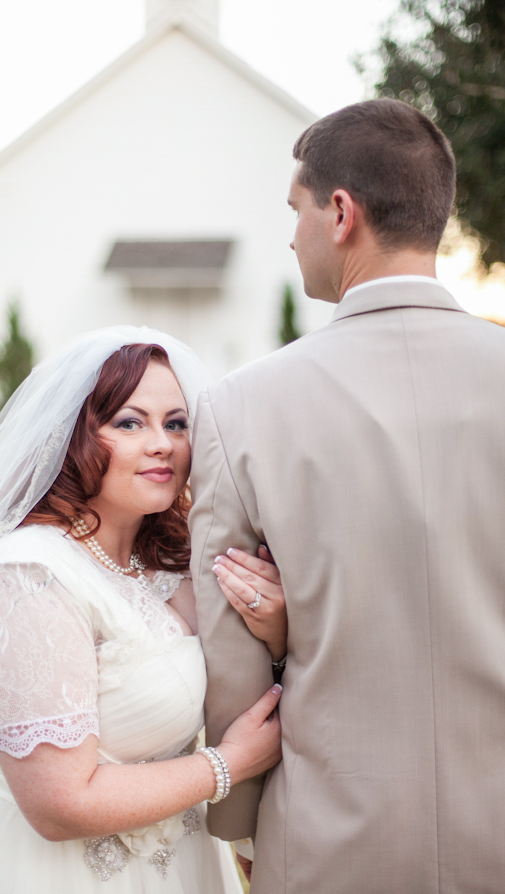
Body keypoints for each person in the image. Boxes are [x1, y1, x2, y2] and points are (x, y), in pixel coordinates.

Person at [189, 98, 505, 893]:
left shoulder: (241, 406)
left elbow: (231, 659)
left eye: (294, 208)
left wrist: (241, 823)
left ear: (340, 211)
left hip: (327, 836)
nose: (289, 233)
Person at [0, 327, 285, 893]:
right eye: (130, 422)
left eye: (176, 423)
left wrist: (275, 631)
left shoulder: (173, 565)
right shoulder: (25, 579)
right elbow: (60, 805)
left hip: (175, 867)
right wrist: (227, 764)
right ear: (74, 437)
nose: (162, 443)